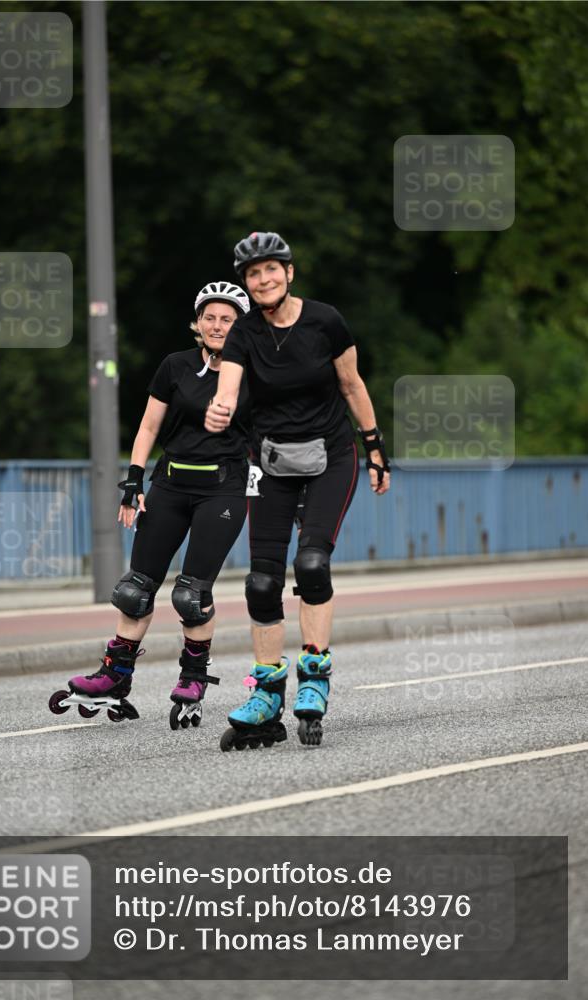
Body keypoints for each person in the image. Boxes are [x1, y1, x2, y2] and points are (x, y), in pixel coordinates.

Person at [205, 232, 390, 750]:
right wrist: (220, 408)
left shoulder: (325, 321)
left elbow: (352, 386)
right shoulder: (242, 333)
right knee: (261, 583)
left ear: (289, 273)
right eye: (253, 274)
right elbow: (229, 388)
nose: (263, 280)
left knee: (311, 564)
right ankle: (266, 691)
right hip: (271, 462)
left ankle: (313, 676)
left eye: (271, 270)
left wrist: (375, 447)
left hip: (331, 456)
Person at [49, 281, 251, 727]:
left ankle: (193, 677)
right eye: (210, 317)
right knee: (135, 588)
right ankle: (115, 676)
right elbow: (147, 427)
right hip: (170, 484)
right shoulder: (175, 366)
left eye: (227, 319)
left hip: (224, 489)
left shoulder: (252, 372)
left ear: (241, 327)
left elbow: (270, 433)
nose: (217, 325)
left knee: (191, 594)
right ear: (197, 323)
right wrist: (133, 483)